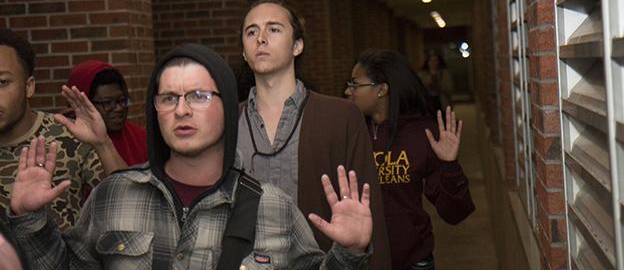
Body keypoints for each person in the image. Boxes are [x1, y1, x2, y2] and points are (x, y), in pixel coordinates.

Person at [7, 43, 373, 269]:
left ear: (228, 106)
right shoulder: (113, 196)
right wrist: (30, 220)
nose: (182, 109)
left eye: (199, 96)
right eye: (169, 98)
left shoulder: (272, 208)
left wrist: (350, 253)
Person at [237, 0, 391, 269]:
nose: (260, 38)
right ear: (244, 52)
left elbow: (369, 213)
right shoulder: (226, 122)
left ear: (297, 46)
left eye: (273, 29)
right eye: (251, 32)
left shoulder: (340, 117)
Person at [345, 49, 475, 270]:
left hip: (413, 261)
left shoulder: (421, 134)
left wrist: (449, 165)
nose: (348, 91)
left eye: (355, 84)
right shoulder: (349, 134)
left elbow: (454, 213)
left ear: (382, 89)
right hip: (362, 262)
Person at [0, 29, 126, 231]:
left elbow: (129, 201)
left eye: (2, 82)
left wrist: (103, 144)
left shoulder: (67, 135)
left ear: (29, 86)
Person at [66, 60, 148, 166]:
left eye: (122, 100)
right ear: (83, 104)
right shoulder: (65, 142)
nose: (118, 108)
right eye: (107, 103)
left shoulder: (142, 138)